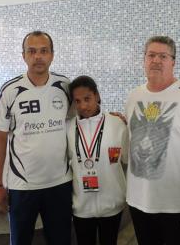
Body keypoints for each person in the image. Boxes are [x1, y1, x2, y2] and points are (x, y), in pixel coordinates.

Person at [125, 35, 180, 245]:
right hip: (139, 202)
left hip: (178, 204)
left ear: (173, 62)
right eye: (151, 55)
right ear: (144, 60)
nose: (156, 60)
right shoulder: (134, 96)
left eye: (163, 56)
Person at [0, 31, 72, 245]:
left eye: (44, 51)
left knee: (61, 240)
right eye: (32, 51)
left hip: (60, 183)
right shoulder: (10, 90)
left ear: (52, 55)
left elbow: (80, 118)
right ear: (23, 55)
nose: (38, 57)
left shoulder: (64, 86)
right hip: (23, 186)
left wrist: (113, 118)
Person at [67, 76, 128, 245]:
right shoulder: (68, 128)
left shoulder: (117, 124)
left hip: (112, 204)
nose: (83, 106)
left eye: (87, 99)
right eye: (77, 101)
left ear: (97, 96)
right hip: (81, 207)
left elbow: (127, 158)